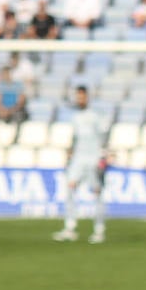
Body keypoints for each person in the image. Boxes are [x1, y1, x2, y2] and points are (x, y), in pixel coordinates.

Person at [53, 86, 110, 243]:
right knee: (70, 187)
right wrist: (70, 152)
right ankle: (70, 227)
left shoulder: (95, 116)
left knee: (97, 192)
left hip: (93, 158)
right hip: (78, 158)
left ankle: (99, 229)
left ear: (87, 97)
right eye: (77, 97)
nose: (80, 100)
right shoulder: (75, 117)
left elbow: (104, 136)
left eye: (82, 97)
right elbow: (76, 138)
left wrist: (103, 156)